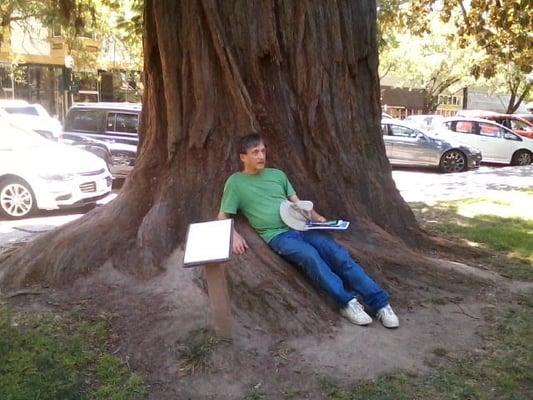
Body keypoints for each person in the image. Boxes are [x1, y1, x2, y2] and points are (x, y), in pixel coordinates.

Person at [217, 133, 399, 328]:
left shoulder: (277, 175)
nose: (261, 156)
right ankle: (347, 303)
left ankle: (381, 304)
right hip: (278, 236)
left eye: (263, 150)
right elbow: (222, 216)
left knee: (339, 255)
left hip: (302, 226)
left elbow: (298, 203)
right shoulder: (235, 183)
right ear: (243, 157)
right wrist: (234, 235)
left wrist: (319, 219)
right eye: (255, 152)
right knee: (311, 256)